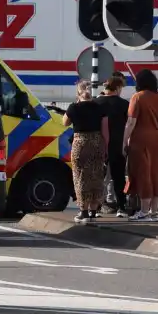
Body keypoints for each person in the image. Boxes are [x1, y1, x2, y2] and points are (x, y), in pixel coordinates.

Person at [62, 80, 109, 223]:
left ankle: (83, 212)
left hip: (80, 143)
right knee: (96, 175)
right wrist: (105, 147)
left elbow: (65, 122)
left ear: (78, 92)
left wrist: (75, 104)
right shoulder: (100, 107)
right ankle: (93, 212)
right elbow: (105, 130)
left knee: (80, 176)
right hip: (97, 143)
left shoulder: (73, 108)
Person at [122, 69, 158, 222]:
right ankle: (154, 212)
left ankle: (144, 211)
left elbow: (131, 122)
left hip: (140, 138)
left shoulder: (137, 97)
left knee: (143, 173)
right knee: (156, 174)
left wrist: (124, 141)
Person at [94, 75, 130, 216]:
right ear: (118, 88)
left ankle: (95, 208)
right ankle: (121, 207)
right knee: (119, 177)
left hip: (100, 145)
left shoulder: (96, 103)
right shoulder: (123, 104)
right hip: (118, 145)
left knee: (97, 177)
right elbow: (129, 124)